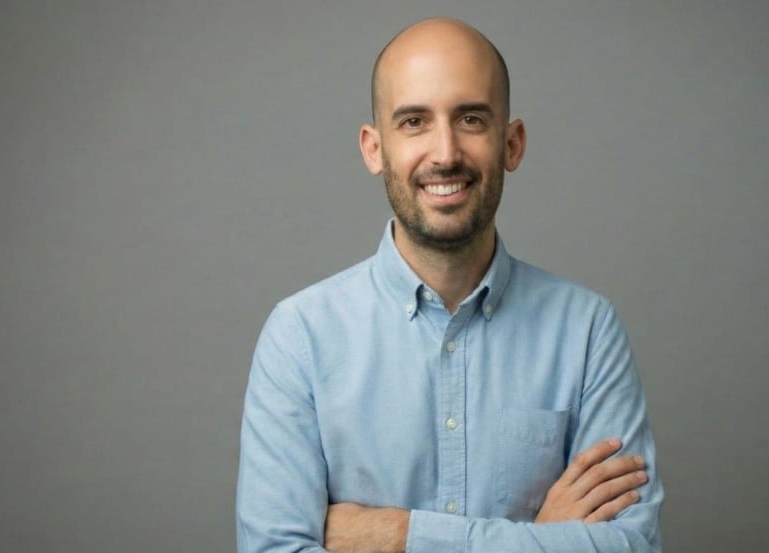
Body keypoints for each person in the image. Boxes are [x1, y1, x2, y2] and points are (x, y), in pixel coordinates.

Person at [237, 17, 663, 553]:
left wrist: (398, 535)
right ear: (374, 149)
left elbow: (632, 546)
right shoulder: (300, 336)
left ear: (512, 143)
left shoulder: (587, 331)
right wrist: (541, 541)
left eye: (471, 119)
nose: (444, 153)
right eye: (414, 121)